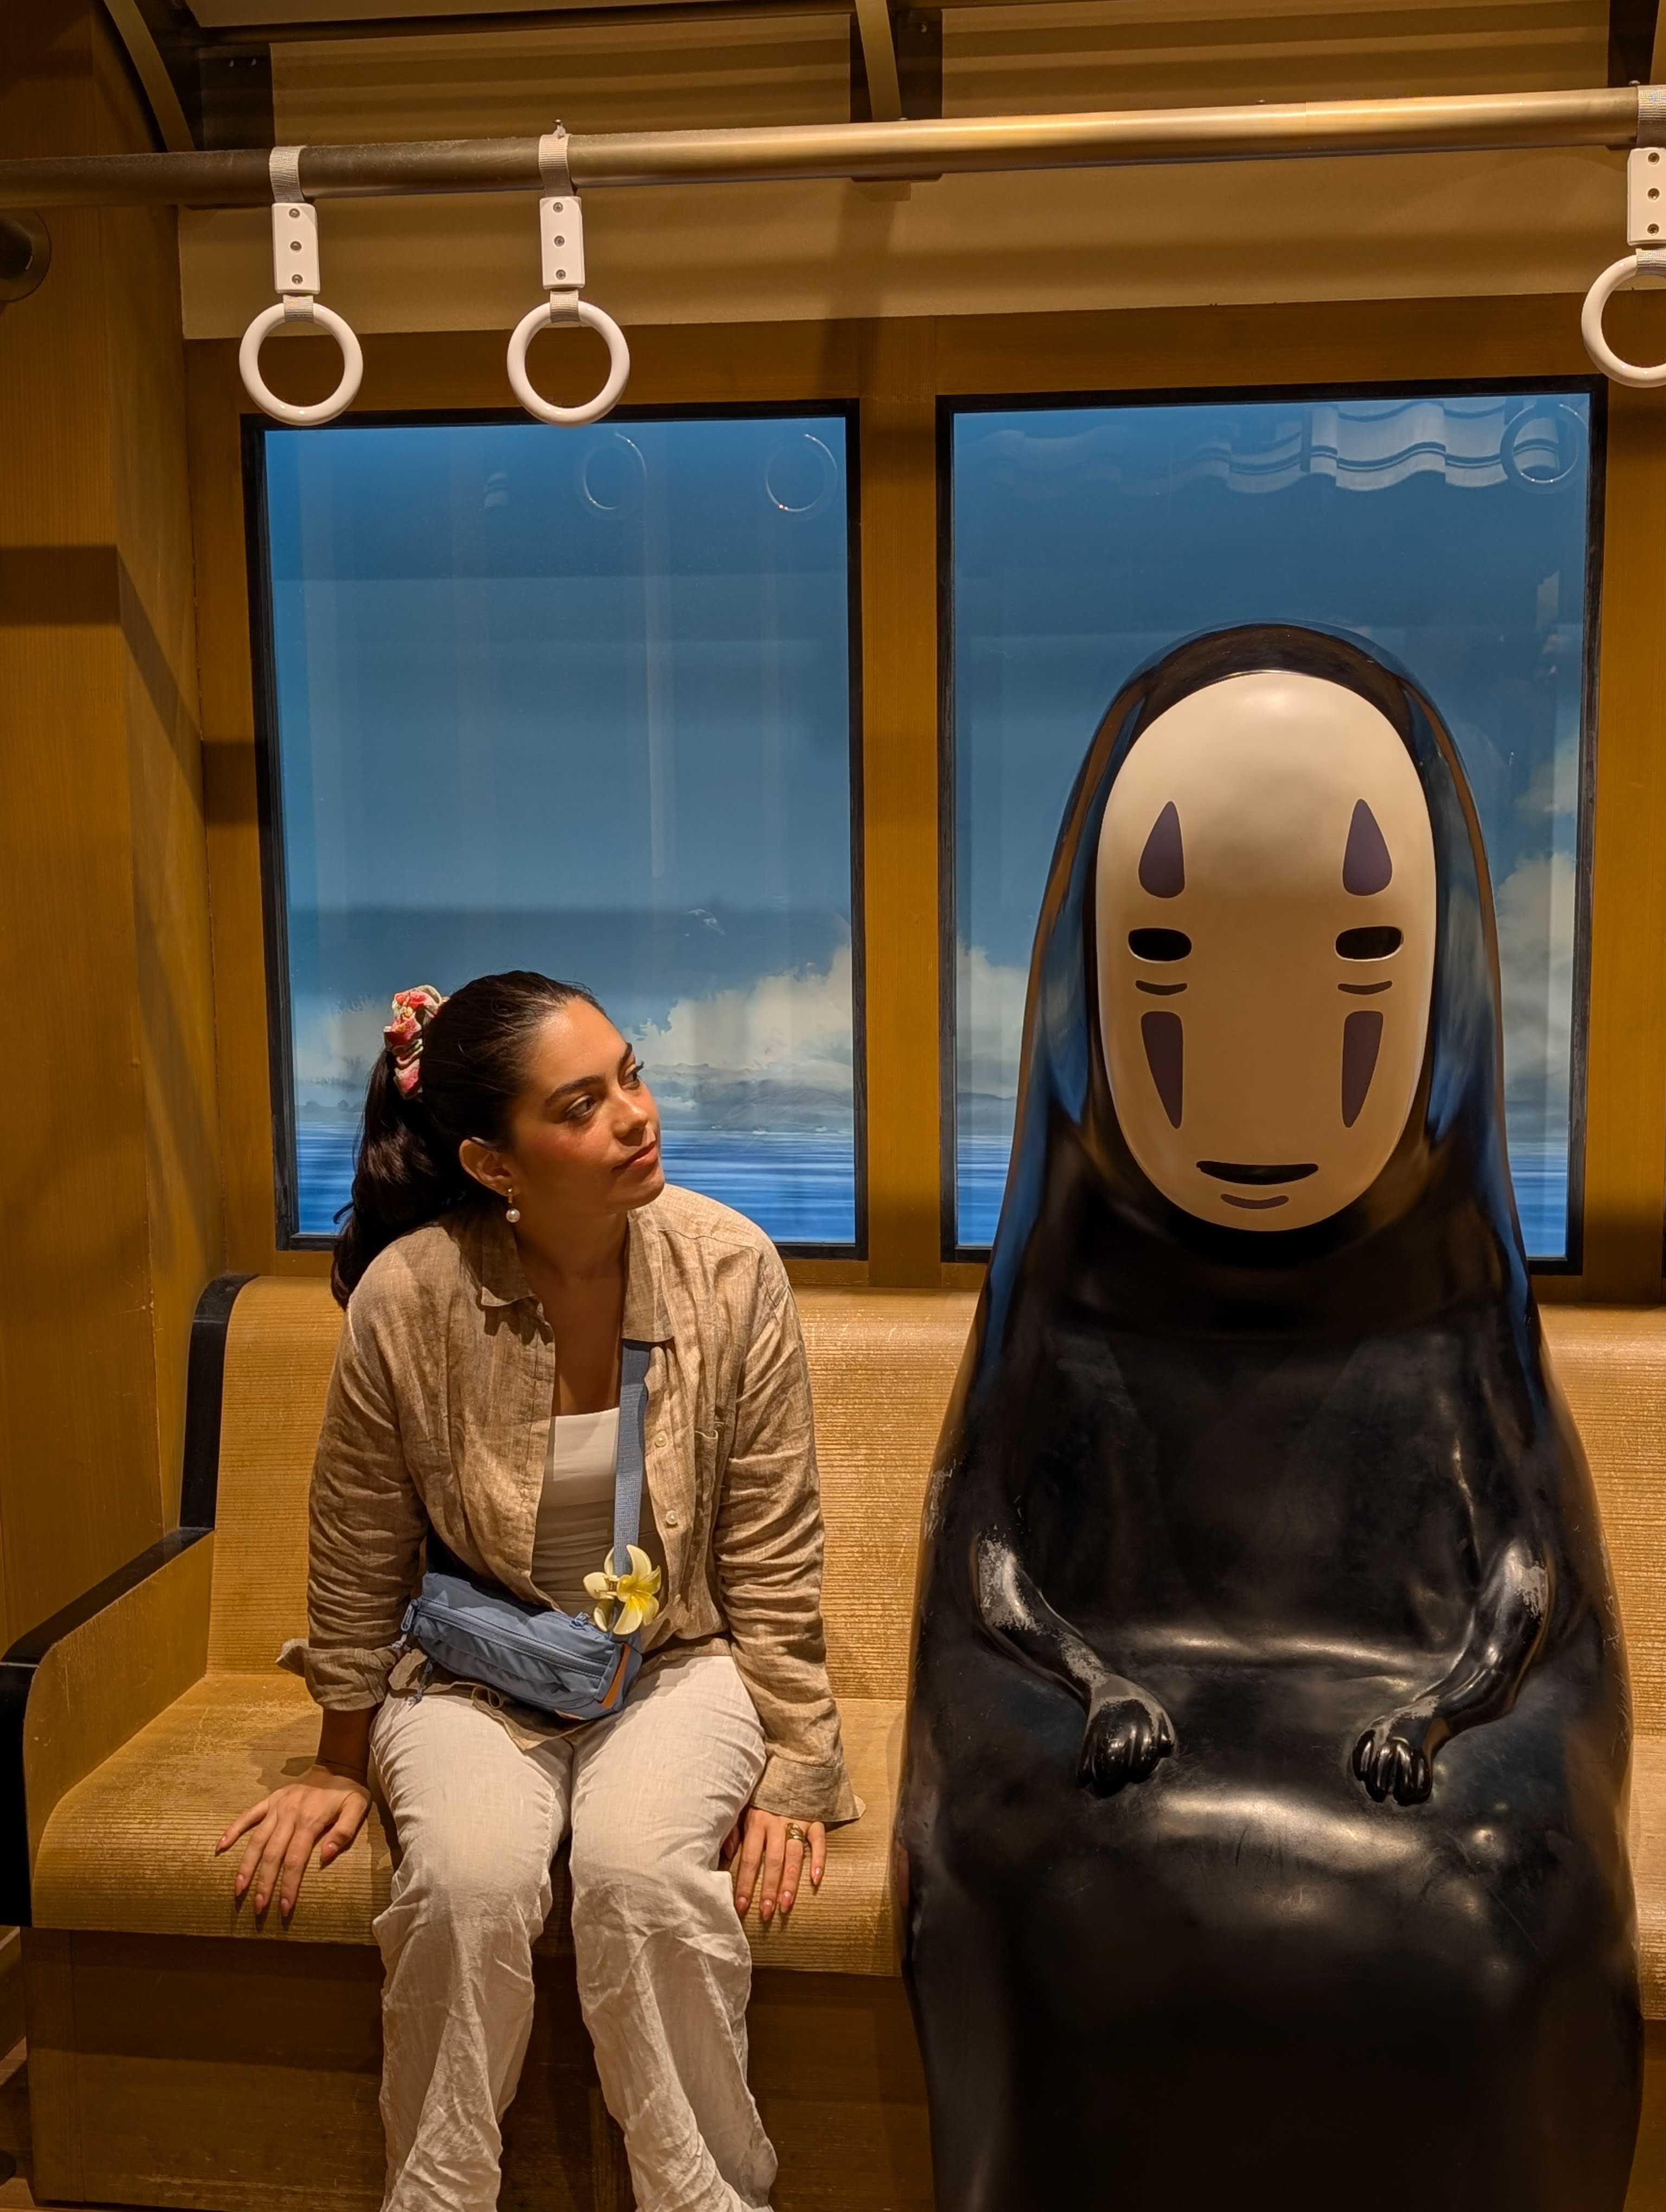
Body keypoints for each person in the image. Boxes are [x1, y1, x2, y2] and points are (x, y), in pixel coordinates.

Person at [216, 970, 860, 2212]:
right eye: (581, 1105)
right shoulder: (411, 1297)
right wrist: (337, 1759)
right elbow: (357, 1546)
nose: (635, 1115)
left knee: (638, 1876)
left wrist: (797, 1764)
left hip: (673, 1666)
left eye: (630, 1074)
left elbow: (775, 1550)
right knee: (467, 1884)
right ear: (493, 1160)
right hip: (474, 1672)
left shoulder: (732, 1270)